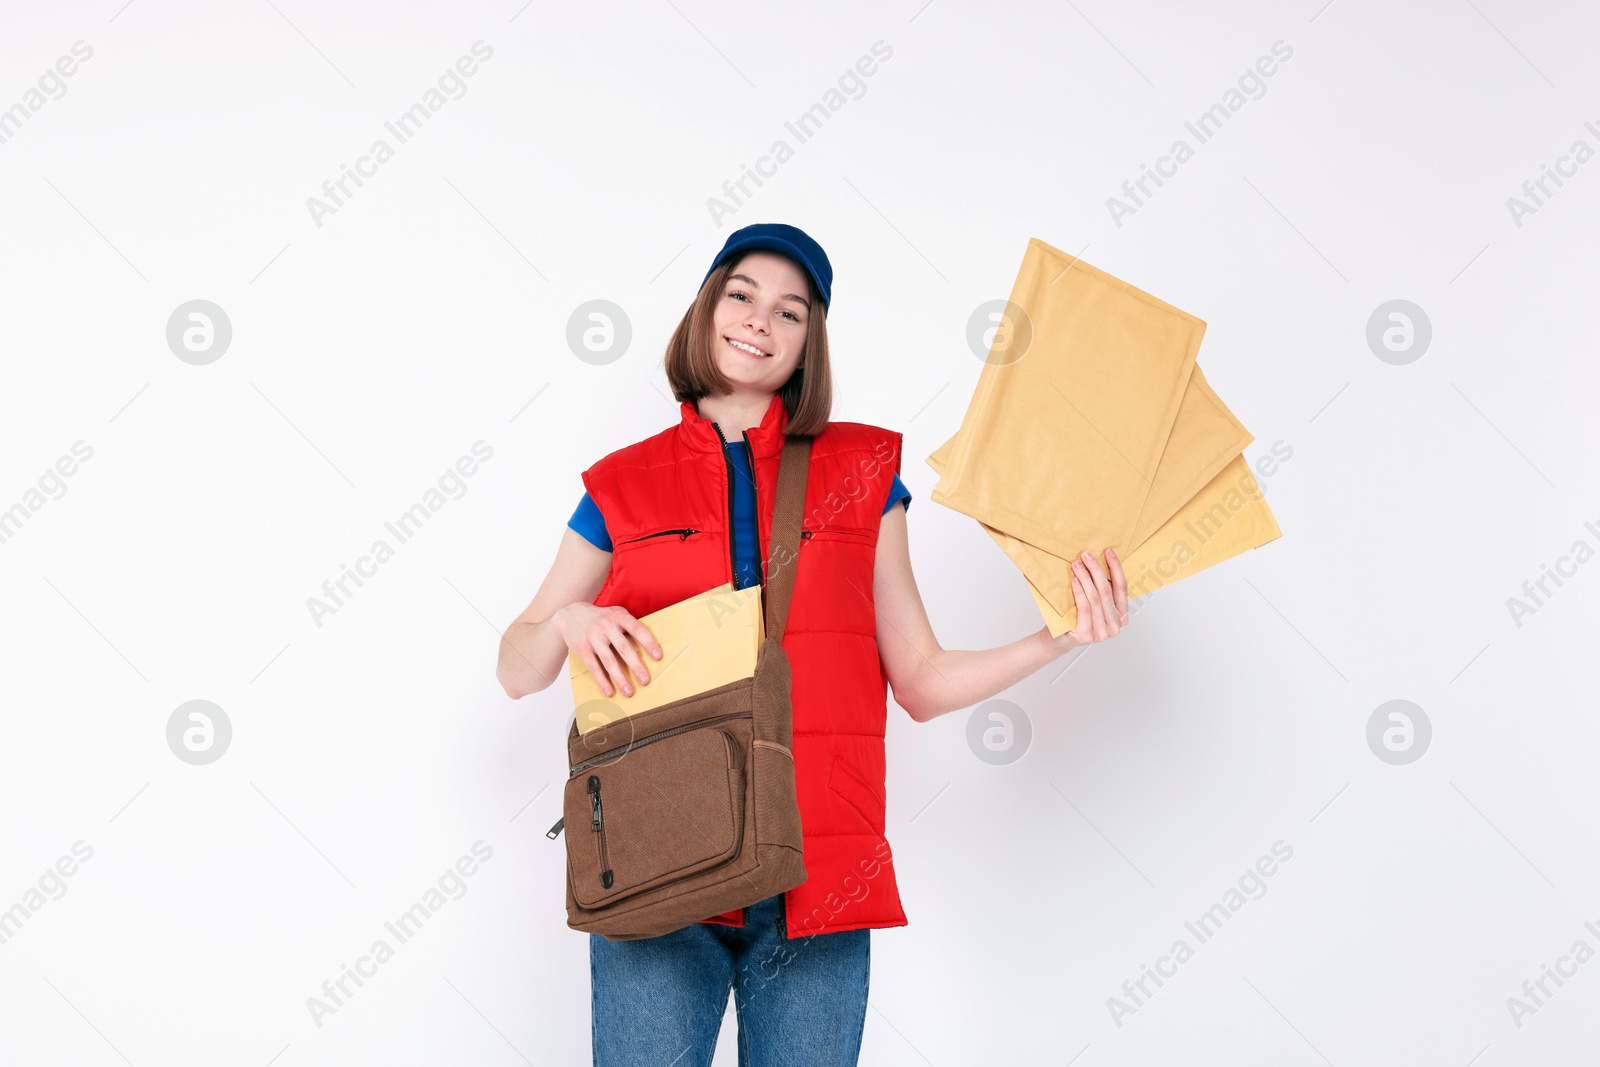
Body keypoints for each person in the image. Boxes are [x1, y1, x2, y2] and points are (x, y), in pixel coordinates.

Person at [496, 223, 1130, 1067]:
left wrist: (1058, 639)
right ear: (706, 308)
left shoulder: (867, 472)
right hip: (658, 868)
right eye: (742, 296)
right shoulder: (620, 483)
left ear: (810, 341)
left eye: (789, 311)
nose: (760, 321)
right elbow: (516, 665)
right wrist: (571, 623)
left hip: (821, 876)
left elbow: (923, 680)